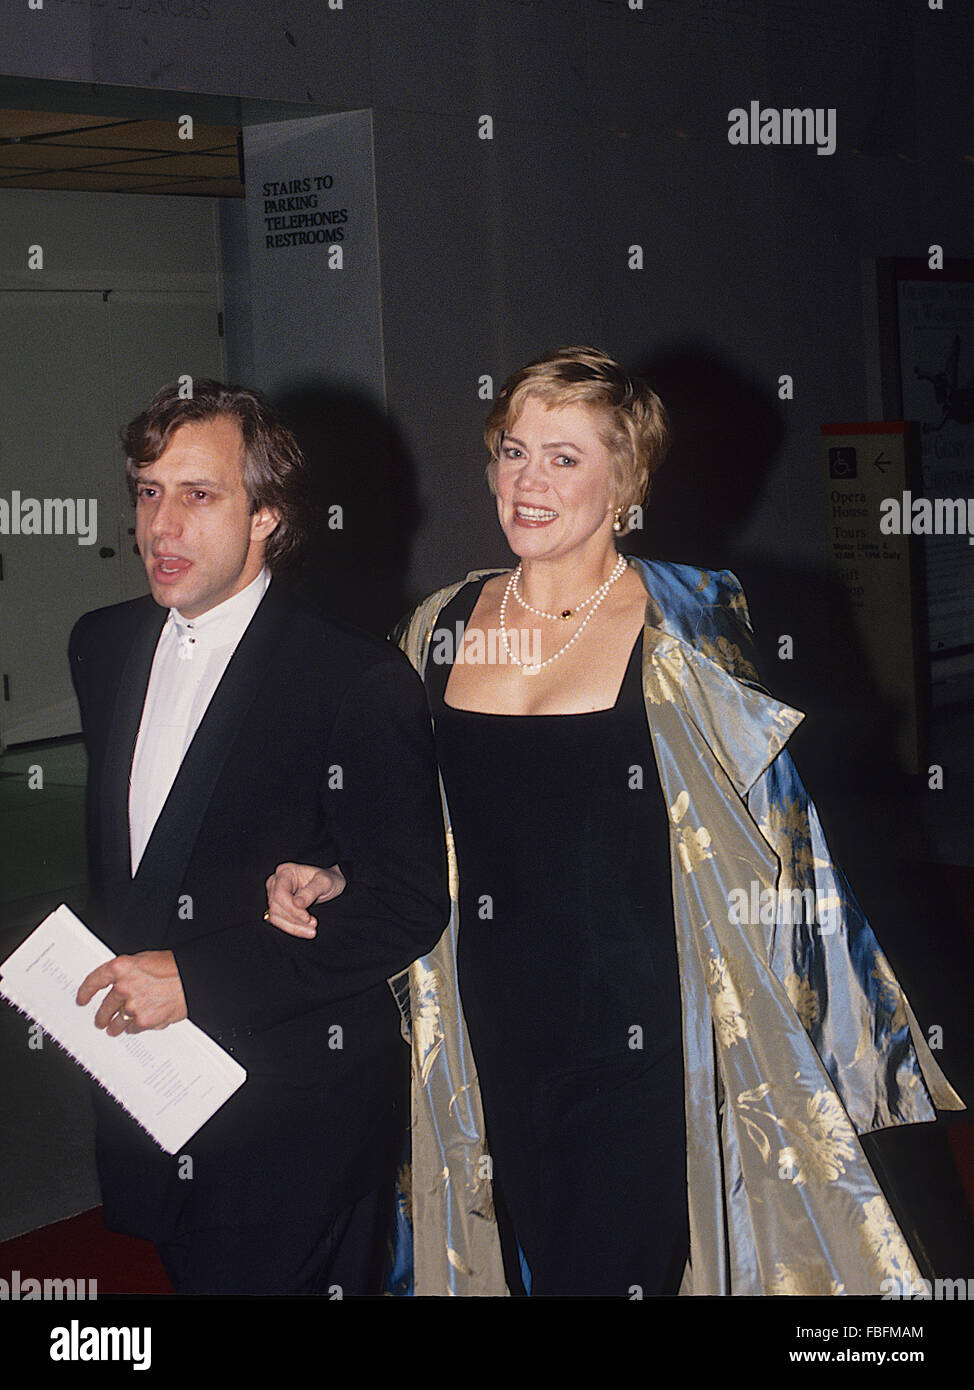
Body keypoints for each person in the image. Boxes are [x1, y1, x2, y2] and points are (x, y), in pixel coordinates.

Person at [266, 346, 964, 1297]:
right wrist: (338, 871)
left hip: (642, 1024)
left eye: (564, 457)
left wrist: (802, 1033)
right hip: (485, 1016)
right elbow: (403, 815)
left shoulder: (687, 622)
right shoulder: (438, 624)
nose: (527, 481)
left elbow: (772, 842)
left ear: (625, 481)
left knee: (621, 1260)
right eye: (512, 452)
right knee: (522, 1249)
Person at [70, 380, 449, 1295]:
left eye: (199, 496)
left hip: (293, 1126)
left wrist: (200, 979)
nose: (162, 525)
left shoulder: (354, 678)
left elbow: (407, 905)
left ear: (269, 516)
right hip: (150, 1093)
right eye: (149, 491)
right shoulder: (102, 645)